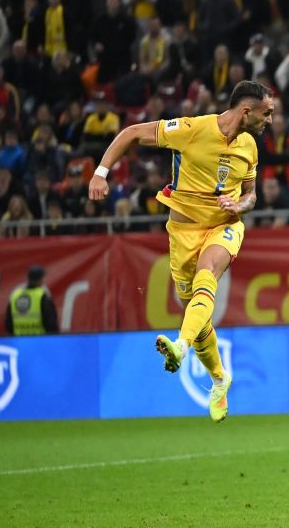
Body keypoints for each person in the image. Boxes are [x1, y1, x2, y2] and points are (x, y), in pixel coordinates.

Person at [88, 81, 276, 423]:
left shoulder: (249, 146)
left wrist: (240, 204)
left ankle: (181, 347)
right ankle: (219, 377)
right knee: (196, 309)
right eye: (267, 113)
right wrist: (101, 173)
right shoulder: (192, 129)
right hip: (183, 232)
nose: (271, 120)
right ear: (246, 111)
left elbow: (252, 195)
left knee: (208, 275)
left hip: (225, 226)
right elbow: (131, 132)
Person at [4, 264, 59, 336]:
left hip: (19, 341)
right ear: (42, 279)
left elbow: (8, 323)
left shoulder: (15, 295)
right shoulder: (42, 296)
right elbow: (51, 323)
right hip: (40, 341)